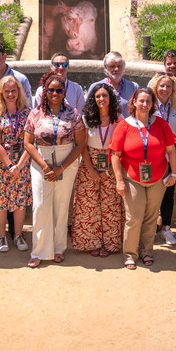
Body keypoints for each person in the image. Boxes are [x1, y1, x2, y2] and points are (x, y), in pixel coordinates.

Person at [24, 71, 86, 268]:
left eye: (59, 90)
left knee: (61, 206)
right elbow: (28, 143)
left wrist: (61, 167)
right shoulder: (35, 114)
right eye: (51, 90)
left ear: (64, 91)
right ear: (45, 91)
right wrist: (44, 166)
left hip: (66, 161)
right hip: (41, 161)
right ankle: (40, 250)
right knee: (41, 206)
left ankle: (59, 248)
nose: (55, 93)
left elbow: (80, 144)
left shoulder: (73, 113)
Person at [111, 87, 176, 269]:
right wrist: (119, 180)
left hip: (157, 178)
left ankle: (147, 251)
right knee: (134, 217)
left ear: (152, 104)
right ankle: (130, 253)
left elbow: (171, 150)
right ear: (133, 102)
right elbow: (115, 155)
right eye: (141, 100)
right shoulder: (124, 126)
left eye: (148, 101)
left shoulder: (161, 124)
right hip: (132, 178)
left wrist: (174, 173)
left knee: (151, 216)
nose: (144, 104)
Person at [72, 82, 125, 257]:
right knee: (89, 207)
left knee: (111, 206)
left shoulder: (118, 119)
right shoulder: (87, 118)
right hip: (89, 164)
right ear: (93, 99)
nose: (101, 99)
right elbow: (82, 146)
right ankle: (91, 243)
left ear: (110, 98)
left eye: (104, 96)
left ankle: (110, 244)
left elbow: (121, 147)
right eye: (98, 96)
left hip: (112, 163)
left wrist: (109, 170)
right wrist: (91, 169)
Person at [0, 75, 32, 253]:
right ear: (1, 92)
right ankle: (1, 236)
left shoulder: (27, 112)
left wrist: (19, 166)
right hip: (1, 165)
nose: (11, 94)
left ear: (19, 91)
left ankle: (18, 235)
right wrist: (8, 165)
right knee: (1, 202)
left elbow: (30, 142)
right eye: (7, 91)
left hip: (22, 163)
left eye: (14, 90)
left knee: (19, 202)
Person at [152, 72, 176, 242]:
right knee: (152, 193)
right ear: (155, 87)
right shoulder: (149, 103)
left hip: (173, 155)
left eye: (168, 86)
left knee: (168, 192)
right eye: (162, 86)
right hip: (153, 157)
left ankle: (166, 228)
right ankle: (150, 227)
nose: (165, 89)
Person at [88, 51, 139, 116]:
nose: (116, 69)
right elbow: (88, 111)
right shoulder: (95, 87)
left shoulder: (133, 87)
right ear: (105, 68)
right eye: (112, 66)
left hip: (127, 125)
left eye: (119, 66)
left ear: (123, 67)